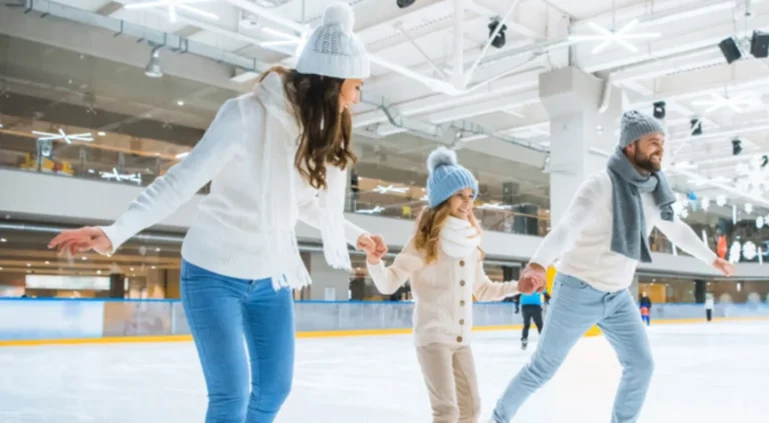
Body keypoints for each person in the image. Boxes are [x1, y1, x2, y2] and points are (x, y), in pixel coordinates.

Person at [47, 4, 386, 422]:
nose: (357, 99)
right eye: (356, 86)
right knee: (230, 396)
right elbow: (180, 181)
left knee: (274, 390)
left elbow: (304, 204)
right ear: (331, 83)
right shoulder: (244, 115)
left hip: (271, 276)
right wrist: (116, 230)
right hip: (212, 274)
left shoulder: (310, 135)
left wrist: (357, 236)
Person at [487, 111, 734, 423]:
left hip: (617, 296)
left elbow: (677, 230)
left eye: (662, 143)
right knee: (542, 367)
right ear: (630, 146)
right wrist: (538, 264)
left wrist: (712, 258)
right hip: (576, 290)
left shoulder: (654, 190)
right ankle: (497, 419)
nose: (660, 148)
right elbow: (567, 228)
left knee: (641, 365)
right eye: (653, 142)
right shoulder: (600, 186)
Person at [366, 147, 524, 423]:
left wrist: (518, 286)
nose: (468, 203)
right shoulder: (423, 243)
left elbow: (483, 289)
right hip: (432, 338)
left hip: (461, 340)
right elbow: (389, 283)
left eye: (471, 196)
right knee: (446, 412)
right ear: (443, 199)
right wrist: (374, 261)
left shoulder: (470, 243)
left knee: (472, 408)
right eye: (460, 196)